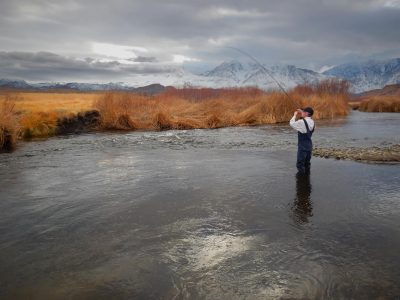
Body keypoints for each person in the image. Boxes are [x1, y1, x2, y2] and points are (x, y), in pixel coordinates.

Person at [289, 107, 315, 174]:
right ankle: (307, 180)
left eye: (303, 112)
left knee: (300, 164)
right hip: (309, 146)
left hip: (302, 147)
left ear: (306, 113)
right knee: (307, 164)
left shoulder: (301, 122)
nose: (302, 113)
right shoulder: (312, 121)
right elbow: (306, 121)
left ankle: (301, 181)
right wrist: (302, 112)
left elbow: (291, 123)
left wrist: (295, 115)